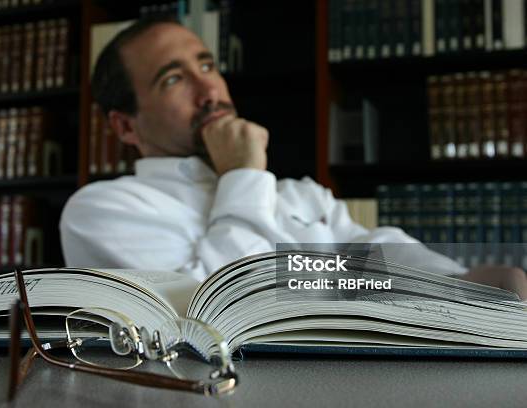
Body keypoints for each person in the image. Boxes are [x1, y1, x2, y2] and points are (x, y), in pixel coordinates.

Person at [60, 16, 527, 298]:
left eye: (207, 65)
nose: (210, 90)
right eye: (173, 79)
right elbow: (219, 307)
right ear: (125, 126)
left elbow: (373, 263)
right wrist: (244, 171)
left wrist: (462, 283)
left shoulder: (298, 195)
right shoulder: (100, 210)